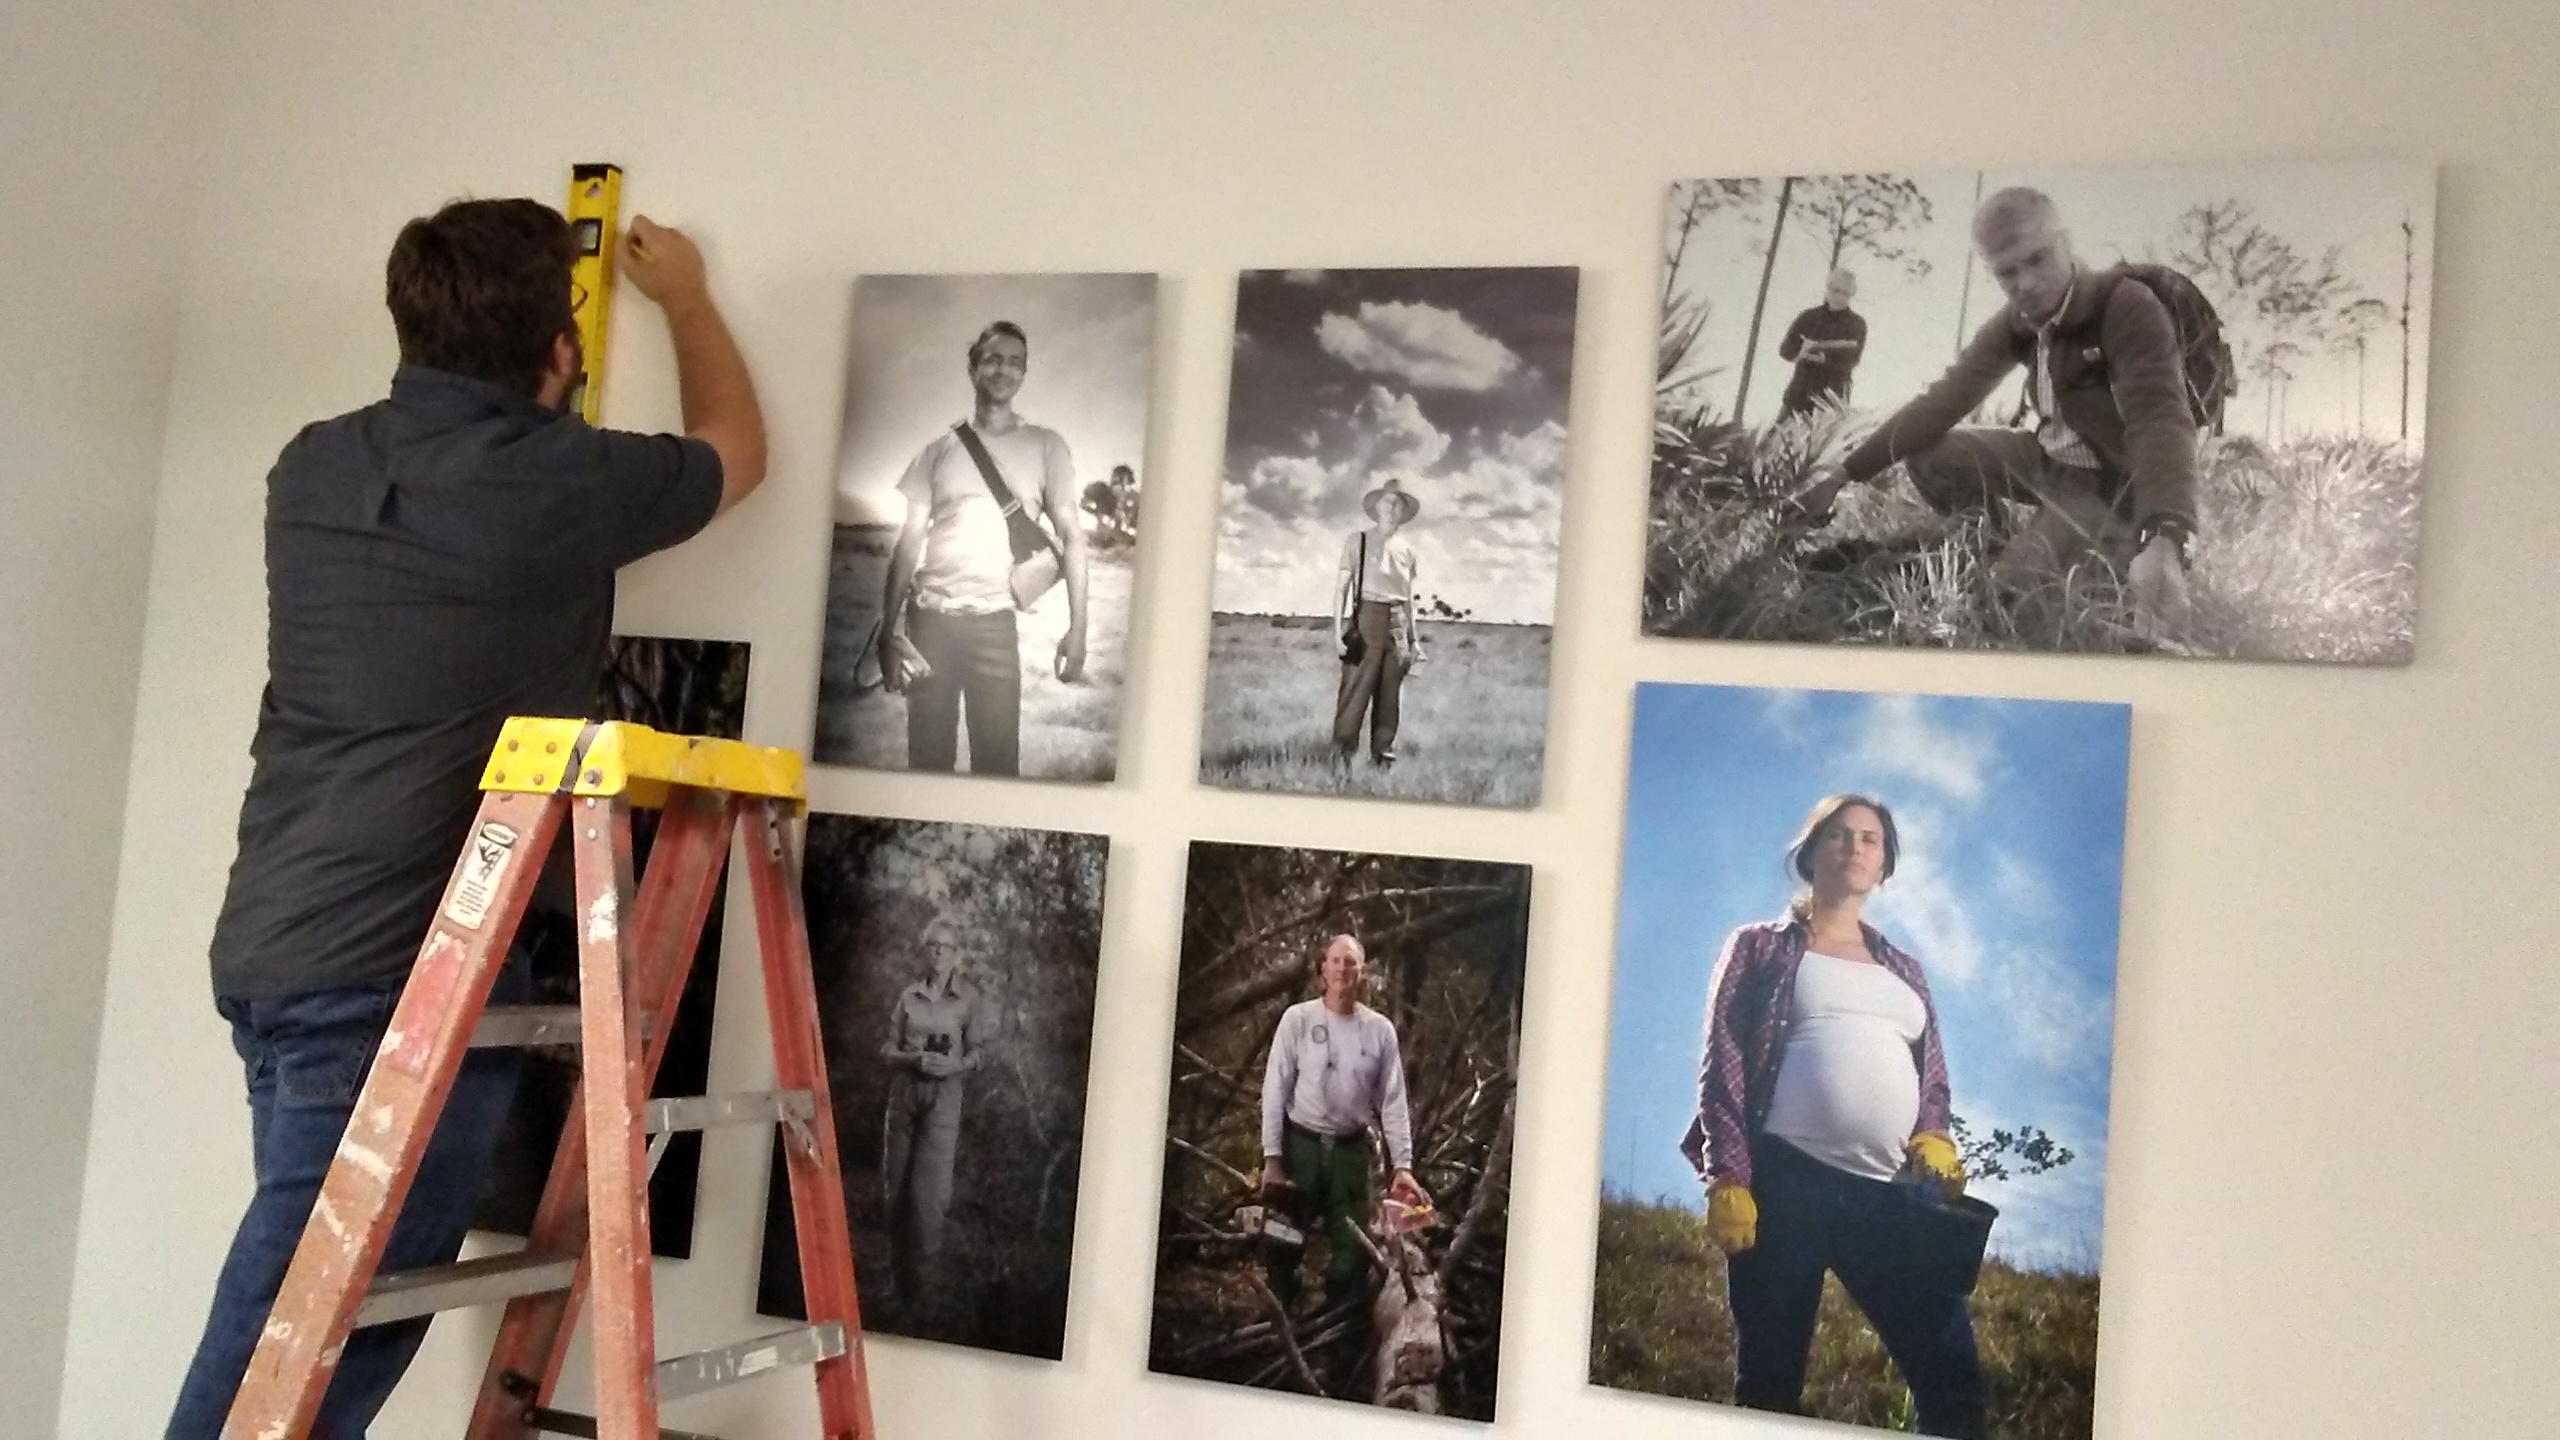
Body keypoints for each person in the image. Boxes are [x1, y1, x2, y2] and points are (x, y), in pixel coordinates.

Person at [167, 198, 765, 1437]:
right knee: (289, 1379)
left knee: (305, 1345)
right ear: (562, 350)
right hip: (395, 984)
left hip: (279, 947)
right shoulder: (559, 481)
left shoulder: (314, 463)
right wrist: (692, 301)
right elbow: (734, 452)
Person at [1681, 794, 1985, 1438]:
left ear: (1884, 864)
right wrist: (1728, 1176)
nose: (1855, 847)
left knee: (1951, 1369)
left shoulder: (1905, 970)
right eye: (1839, 835)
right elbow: (1723, 1059)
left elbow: (1932, 1072)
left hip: (1892, 1197)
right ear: (1811, 852)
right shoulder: (1759, 948)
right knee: (1770, 1382)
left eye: (1871, 840)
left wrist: (1934, 1133)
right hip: (1787, 1183)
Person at [1799, 186, 2197, 635]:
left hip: (2106, 486)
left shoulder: (2125, 305)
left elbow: (2160, 417)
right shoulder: (2017, 323)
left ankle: (2070, 558)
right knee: (1930, 453)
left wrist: (2166, 533)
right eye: (2006, 273)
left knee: (2006, 602)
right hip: (2046, 460)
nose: (2024, 283)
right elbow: (1942, 401)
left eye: (2037, 258)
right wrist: (1842, 475)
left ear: (2065, 242)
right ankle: (1990, 545)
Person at [876, 320, 1090, 775]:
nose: (1003, 370)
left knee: (998, 768)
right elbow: (909, 541)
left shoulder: (1047, 446)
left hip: (995, 626)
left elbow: (1073, 537)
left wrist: (1079, 629)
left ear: (1024, 375)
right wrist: (887, 630)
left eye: (1016, 362)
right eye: (993, 359)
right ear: (973, 368)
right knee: (927, 764)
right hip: (928, 623)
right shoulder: (936, 451)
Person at [1259, 934, 1430, 1310]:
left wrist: (1402, 1165)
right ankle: (1283, 1319)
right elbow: (1275, 1087)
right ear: (1323, 968)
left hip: (1350, 1154)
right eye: (1336, 961)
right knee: (1281, 1241)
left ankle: (1336, 1335)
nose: (1342, 969)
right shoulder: (1298, 1020)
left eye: (1351, 962)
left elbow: (1393, 1100)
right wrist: (1272, 1158)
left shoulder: (1379, 1030)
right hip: (1299, 1145)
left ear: (1362, 972)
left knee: (1352, 1252)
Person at [878, 922, 992, 1311]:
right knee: (896, 1191)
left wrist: (956, 1065)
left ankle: (923, 1294)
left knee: (930, 1197)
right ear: (924, 951)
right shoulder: (908, 996)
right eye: (933, 946)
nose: (939, 953)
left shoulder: (969, 1000)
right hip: (905, 1094)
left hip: (944, 1097)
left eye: (946, 947)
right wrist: (913, 1058)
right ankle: (899, 1285)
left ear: (957, 954)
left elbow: (979, 1053)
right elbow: (886, 1050)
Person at [1331, 477, 1428, 768]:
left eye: (1398, 503)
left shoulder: (1408, 551)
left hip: (1398, 620)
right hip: (1366, 618)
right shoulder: (1357, 540)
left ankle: (1382, 755)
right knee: (1355, 689)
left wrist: (1414, 639)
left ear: (1403, 511)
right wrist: (1337, 632)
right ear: (1376, 507)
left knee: (1390, 692)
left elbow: (1409, 599)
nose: (1392, 507)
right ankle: (1342, 756)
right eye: (1387, 501)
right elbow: (1341, 588)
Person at [1776, 267, 1867, 423]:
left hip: (1831, 401)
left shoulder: (1856, 324)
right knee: (1775, 443)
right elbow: (1785, 350)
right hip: (1798, 396)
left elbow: (1853, 360)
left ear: (1852, 295)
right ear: (1828, 288)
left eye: (1845, 293)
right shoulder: (1808, 317)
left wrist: (1826, 360)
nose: (1839, 297)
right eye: (1835, 290)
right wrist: (1800, 352)